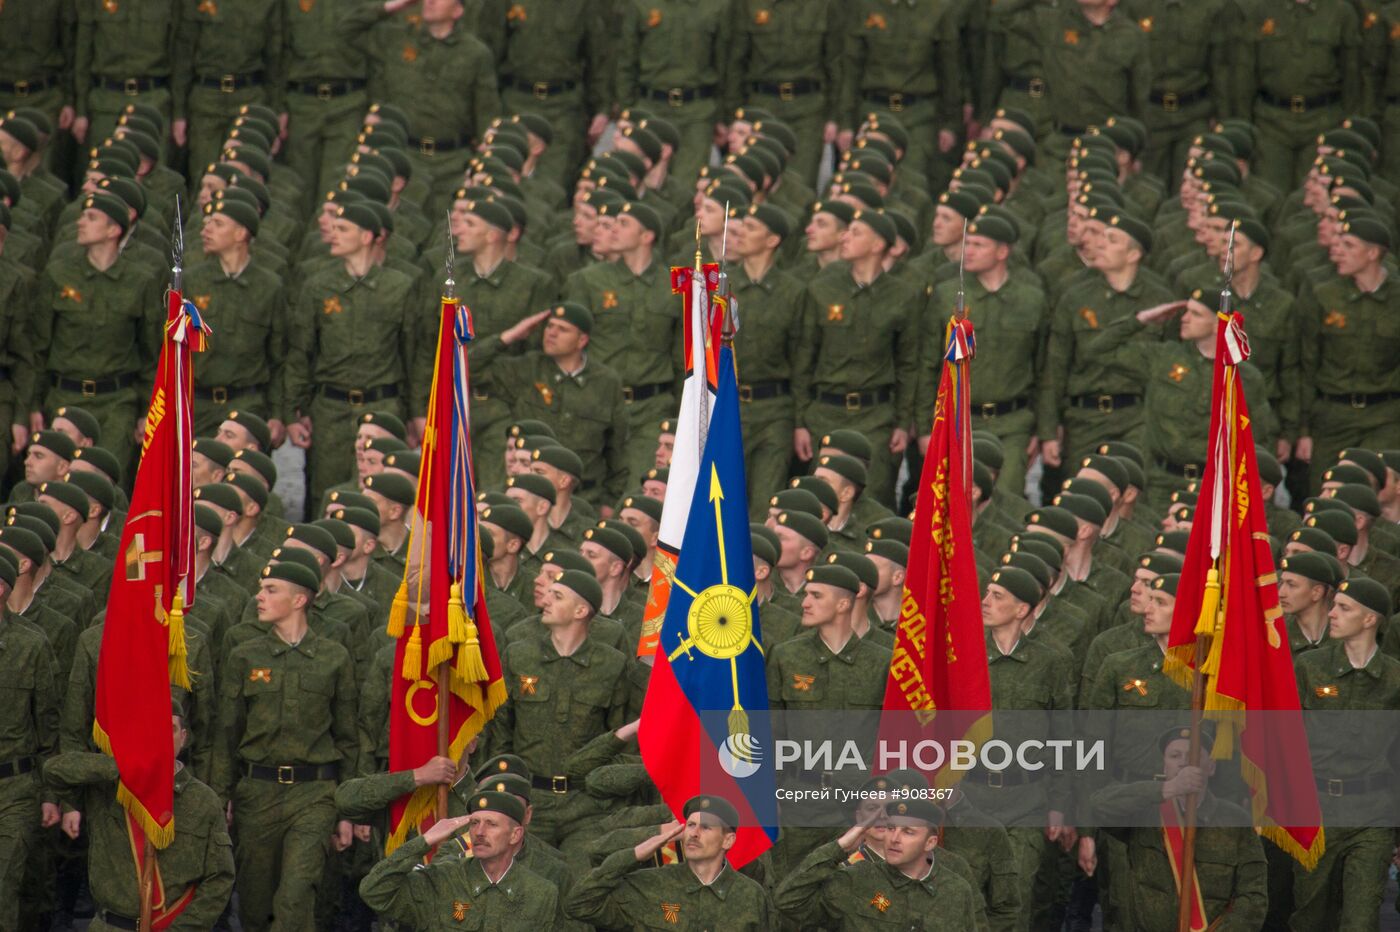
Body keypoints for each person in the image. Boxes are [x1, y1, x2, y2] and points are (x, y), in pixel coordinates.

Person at [213, 560, 358, 932]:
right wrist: (219, 799)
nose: (259, 597)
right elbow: (227, 734)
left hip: (314, 795)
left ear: (300, 599)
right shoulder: (244, 656)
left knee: (295, 897)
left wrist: (348, 810)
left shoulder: (334, 657)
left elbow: (348, 738)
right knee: (255, 905)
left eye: (271, 590)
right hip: (256, 793)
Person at [43, 701, 235, 931]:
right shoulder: (106, 790)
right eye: (152, 729)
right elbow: (54, 772)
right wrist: (122, 767)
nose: (161, 737)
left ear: (183, 737)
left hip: (172, 925)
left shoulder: (203, 801)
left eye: (170, 729)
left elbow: (219, 878)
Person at [285, 201, 422, 506]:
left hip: (383, 406)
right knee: (325, 496)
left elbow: (413, 356)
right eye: (333, 228)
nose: (332, 234)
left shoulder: (399, 287)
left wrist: (416, 415)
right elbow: (300, 354)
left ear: (367, 237)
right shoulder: (318, 286)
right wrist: (292, 412)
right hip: (330, 410)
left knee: (385, 495)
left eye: (343, 229)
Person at [1292, 577, 1400, 931]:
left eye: (1344, 607)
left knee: (1361, 919)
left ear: (1370, 619)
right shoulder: (1309, 668)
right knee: (1310, 917)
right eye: (1334, 605)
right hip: (1317, 808)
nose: (1333, 614)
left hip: (1372, 813)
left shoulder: (1394, 680)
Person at [795, 208, 921, 506]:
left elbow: (909, 363)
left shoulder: (904, 296)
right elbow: (804, 359)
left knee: (874, 497)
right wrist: (800, 421)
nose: (844, 237)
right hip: (825, 410)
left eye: (855, 232)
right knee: (821, 498)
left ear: (878, 245)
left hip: (876, 414)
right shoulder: (822, 289)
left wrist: (903, 422)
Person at [1089, 722, 1268, 932]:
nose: (1184, 763)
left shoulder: (1235, 820)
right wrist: (1168, 788)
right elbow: (1097, 807)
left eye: (1193, 756)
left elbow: (1253, 896)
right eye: (1174, 756)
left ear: (1211, 767)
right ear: (1164, 766)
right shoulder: (1146, 813)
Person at [33, 191, 164, 472]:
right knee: (58, 481)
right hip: (64, 395)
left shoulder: (141, 281)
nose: (80, 222)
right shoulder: (59, 273)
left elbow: (152, 352)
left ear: (114, 229)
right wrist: (32, 406)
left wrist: (147, 413)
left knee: (107, 479)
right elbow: (37, 347)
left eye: (91, 217)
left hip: (117, 401)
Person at [923, 210, 1047, 499]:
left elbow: (1044, 368)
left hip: (1013, 421)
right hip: (959, 418)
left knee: (1006, 501)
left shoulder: (1031, 299)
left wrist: (1043, 429)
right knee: (955, 502)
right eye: (968, 243)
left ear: (1003, 251)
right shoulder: (946, 296)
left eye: (979, 244)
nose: (969, 251)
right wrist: (925, 424)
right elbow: (928, 364)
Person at [339, 0, 500, 212]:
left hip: (452, 162)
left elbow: (487, 113)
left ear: (458, 10)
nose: (430, 1)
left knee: (446, 235)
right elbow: (346, 29)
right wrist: (393, 6)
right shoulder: (398, 38)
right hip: (405, 157)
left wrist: (483, 164)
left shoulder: (476, 54)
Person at [470, 303, 630, 509]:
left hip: (584, 499)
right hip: (529, 495)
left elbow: (617, 448)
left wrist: (609, 502)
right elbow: (467, 369)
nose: (552, 333)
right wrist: (509, 336)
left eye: (562, 329)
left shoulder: (606, 382)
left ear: (582, 340)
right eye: (549, 326)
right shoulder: (527, 369)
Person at [567, 794, 777, 929]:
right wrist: (635, 854)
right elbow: (579, 904)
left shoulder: (751, 895)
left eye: (705, 827)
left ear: (728, 840)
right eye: (691, 825)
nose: (694, 834)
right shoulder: (649, 884)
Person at [359, 789, 560, 929]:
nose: (479, 832)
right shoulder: (442, 879)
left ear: (515, 835)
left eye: (491, 824)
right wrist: (425, 841)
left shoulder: (541, 893)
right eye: (474, 823)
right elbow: (374, 891)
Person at [773, 798, 980, 929]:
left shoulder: (956, 890)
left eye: (908, 832)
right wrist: (839, 847)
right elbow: (789, 901)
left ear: (930, 842)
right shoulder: (856, 879)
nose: (895, 838)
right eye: (891, 828)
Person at [187, 195, 286, 437]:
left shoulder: (269, 286)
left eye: (218, 224)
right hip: (197, 406)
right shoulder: (191, 281)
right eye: (207, 222)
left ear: (241, 234)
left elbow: (279, 356)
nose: (206, 229)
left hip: (248, 405)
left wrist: (278, 414)